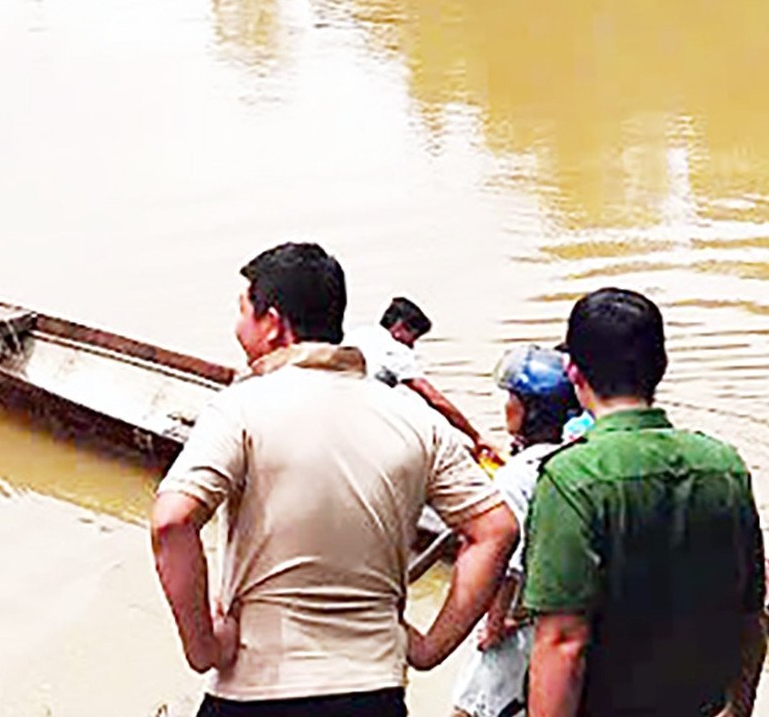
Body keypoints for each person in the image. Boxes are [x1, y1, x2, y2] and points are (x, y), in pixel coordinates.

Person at [151, 243, 519, 717]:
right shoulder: (412, 418)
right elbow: (497, 529)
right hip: (374, 694)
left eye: (243, 310)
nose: (237, 326)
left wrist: (203, 646)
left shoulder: (240, 408)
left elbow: (172, 523)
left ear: (273, 323)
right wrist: (428, 647)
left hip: (256, 692)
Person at [524, 289, 766, 717]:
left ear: (573, 370)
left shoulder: (571, 478)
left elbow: (563, 643)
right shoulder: (725, 467)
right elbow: (749, 618)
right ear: (661, 367)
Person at [450, 346, 582, 717]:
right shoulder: (570, 461)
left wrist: (496, 623)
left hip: (513, 623)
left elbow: (508, 560)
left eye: (512, 398)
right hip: (553, 623)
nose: (506, 405)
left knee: (472, 710)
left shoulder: (515, 475)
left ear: (532, 410)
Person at [346, 296, 504, 465]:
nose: (412, 347)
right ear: (399, 328)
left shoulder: (357, 335)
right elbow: (433, 398)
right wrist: (475, 437)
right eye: (413, 338)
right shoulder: (394, 349)